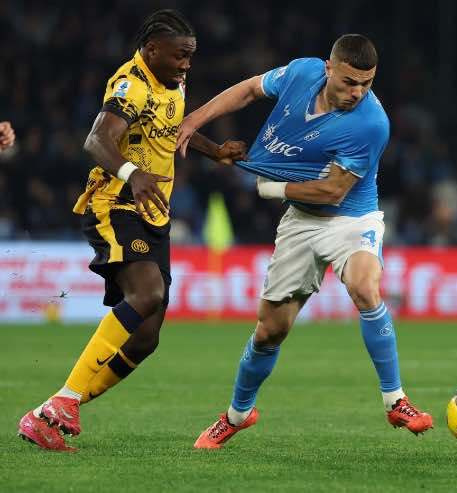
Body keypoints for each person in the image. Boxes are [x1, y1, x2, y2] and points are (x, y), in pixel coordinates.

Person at [177, 34, 433, 449]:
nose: (358, 92)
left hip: (351, 216)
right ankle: (237, 415)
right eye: (350, 81)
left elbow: (333, 192)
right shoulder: (301, 72)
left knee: (366, 288)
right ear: (329, 68)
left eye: (366, 84)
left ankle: (395, 400)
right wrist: (192, 121)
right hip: (301, 222)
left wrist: (269, 190)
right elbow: (247, 90)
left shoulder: (371, 124)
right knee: (268, 332)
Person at [17, 9, 246, 452]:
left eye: (190, 57)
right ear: (151, 49)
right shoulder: (130, 84)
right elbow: (96, 140)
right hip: (116, 202)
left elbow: (170, 127)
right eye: (180, 56)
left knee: (146, 337)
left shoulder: (173, 83)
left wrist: (213, 150)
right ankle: (65, 400)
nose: (186, 65)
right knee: (148, 294)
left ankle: (49, 413)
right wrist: (131, 173)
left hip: (153, 212)